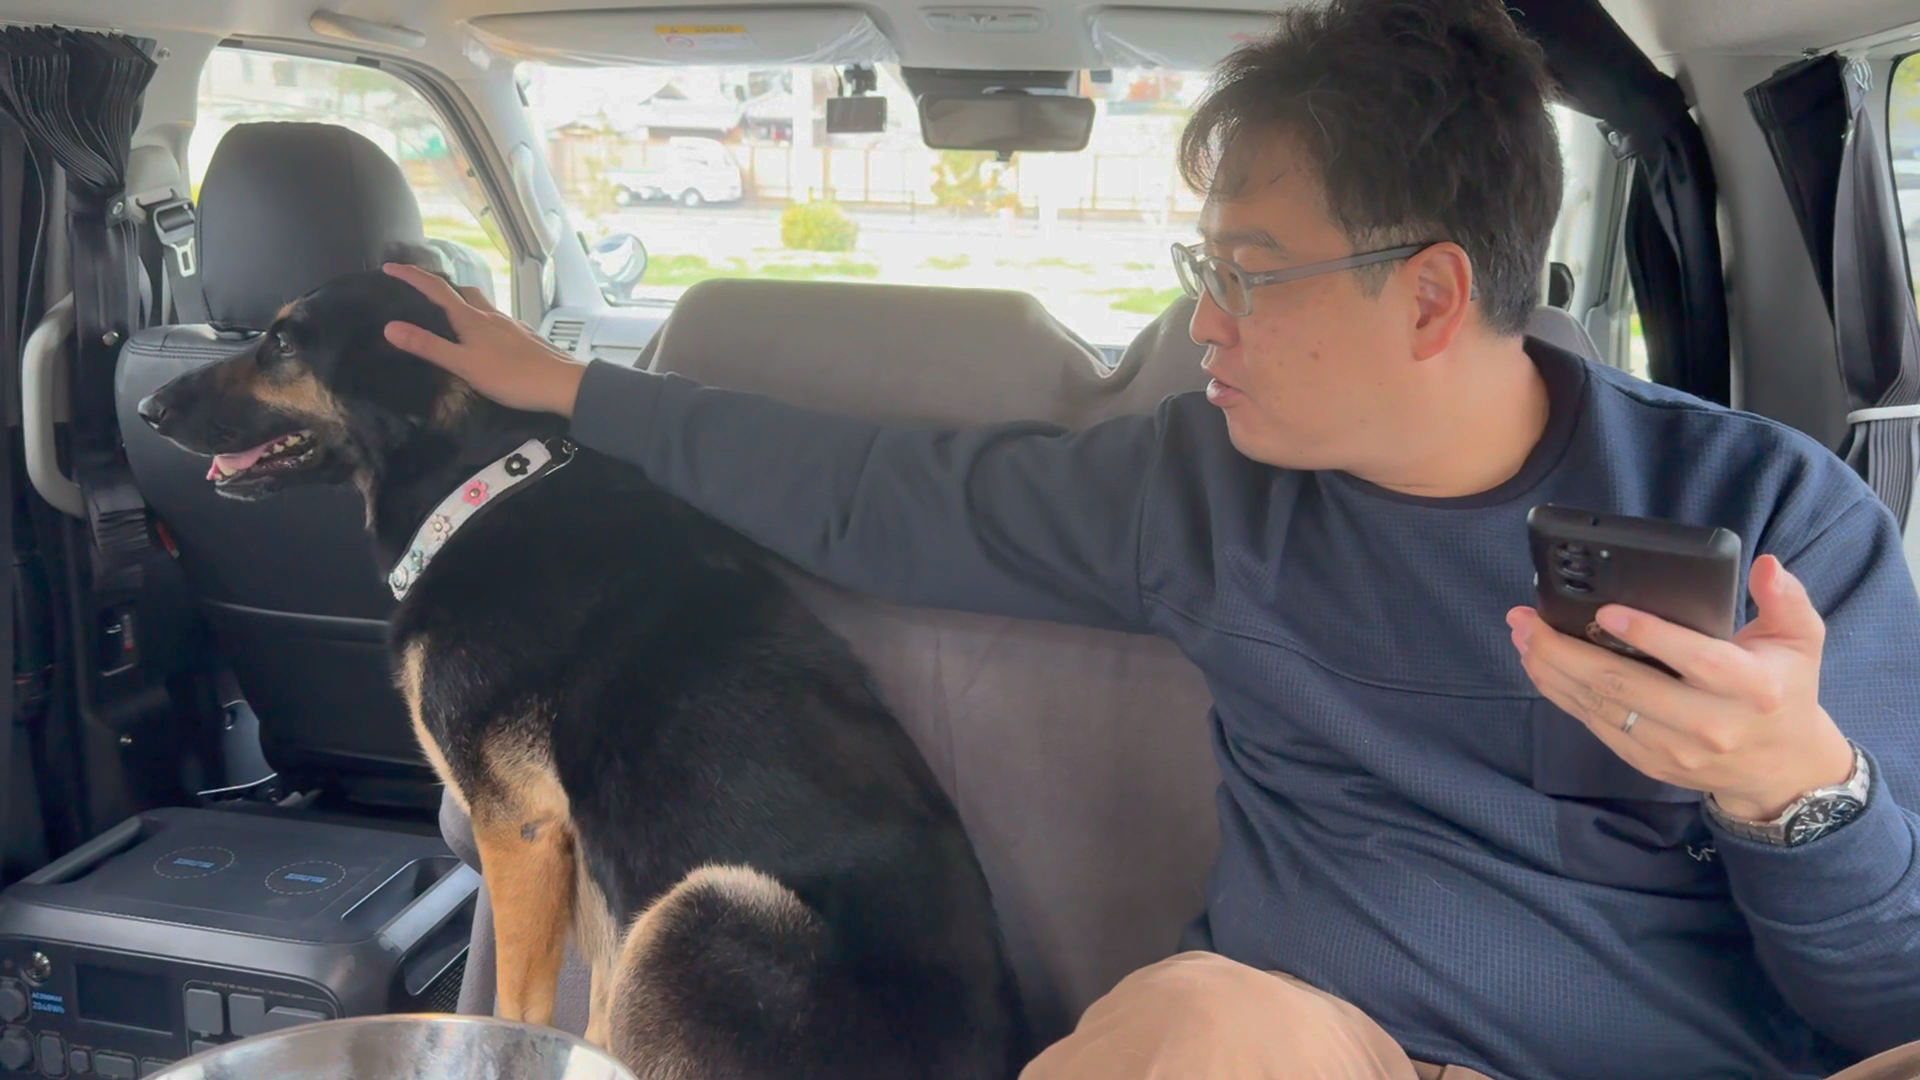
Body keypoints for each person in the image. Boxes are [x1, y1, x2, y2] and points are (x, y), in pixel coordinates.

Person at [379, 0, 1920, 1076]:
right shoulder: (1200, 490)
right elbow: (874, 490)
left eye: (1246, 273)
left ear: (1432, 296)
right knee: (1196, 1021)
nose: (1205, 323)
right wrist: (573, 389)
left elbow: (1886, 1001)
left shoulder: (1774, 524)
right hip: (1324, 1049)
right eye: (1202, 268)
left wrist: (1797, 794)